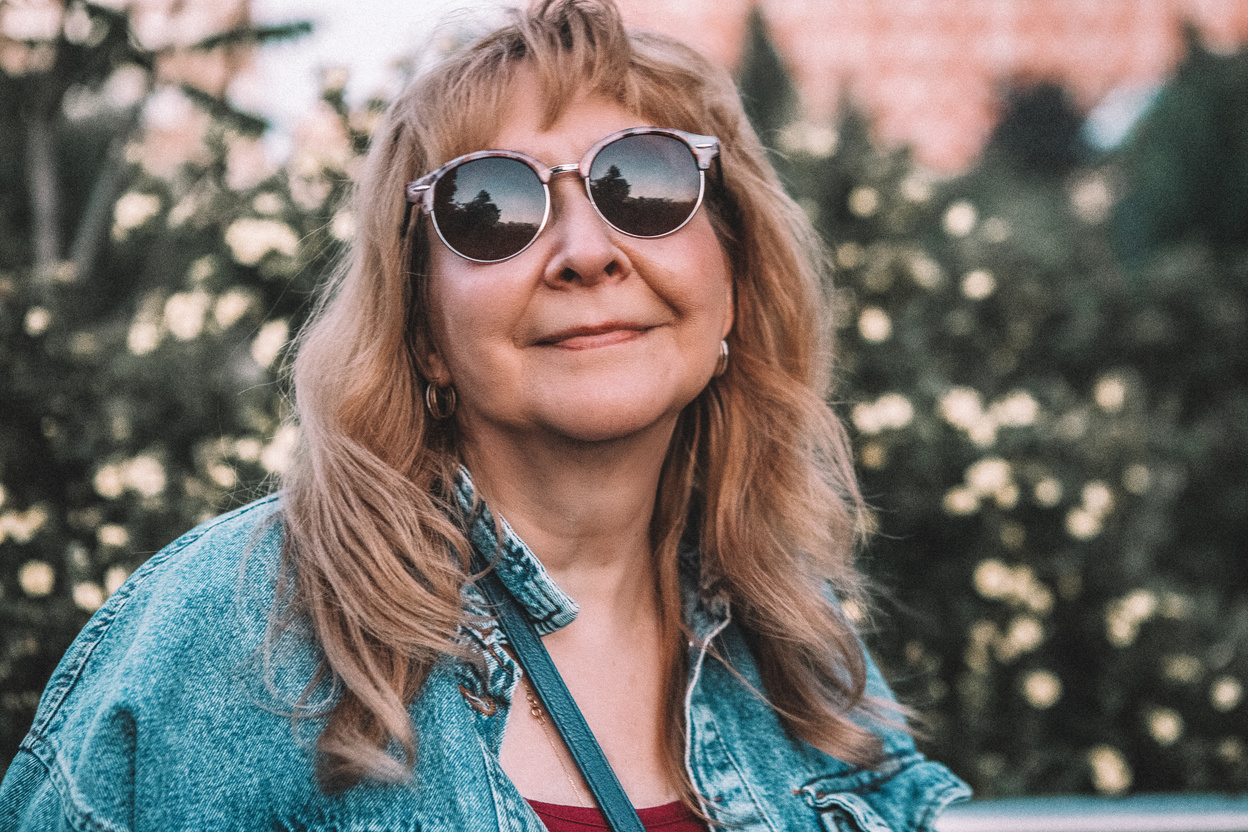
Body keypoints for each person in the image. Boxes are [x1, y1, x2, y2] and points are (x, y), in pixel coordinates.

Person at [0, 0, 969, 829]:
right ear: (424, 331)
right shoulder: (238, 632)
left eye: (649, 181)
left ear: (735, 289)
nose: (585, 251)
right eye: (491, 206)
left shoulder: (803, 651)